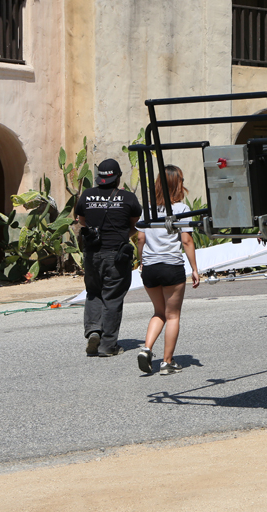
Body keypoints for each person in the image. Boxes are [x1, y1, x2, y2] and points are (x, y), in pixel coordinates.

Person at [135, 165, 200, 375]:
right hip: (171, 266)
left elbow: (140, 238)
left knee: (158, 312)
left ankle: (146, 349)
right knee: (173, 316)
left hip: (150, 268)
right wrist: (195, 269)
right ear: (177, 184)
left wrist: (141, 261)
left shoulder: (149, 209)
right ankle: (167, 362)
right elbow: (187, 240)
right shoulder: (181, 209)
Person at [76, 159, 141, 357]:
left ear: (99, 178)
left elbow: (82, 222)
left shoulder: (87, 196)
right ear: (117, 177)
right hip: (117, 254)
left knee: (94, 292)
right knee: (112, 297)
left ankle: (94, 330)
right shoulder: (128, 198)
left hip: (92, 254)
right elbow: (136, 224)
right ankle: (108, 345)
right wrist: (122, 234)